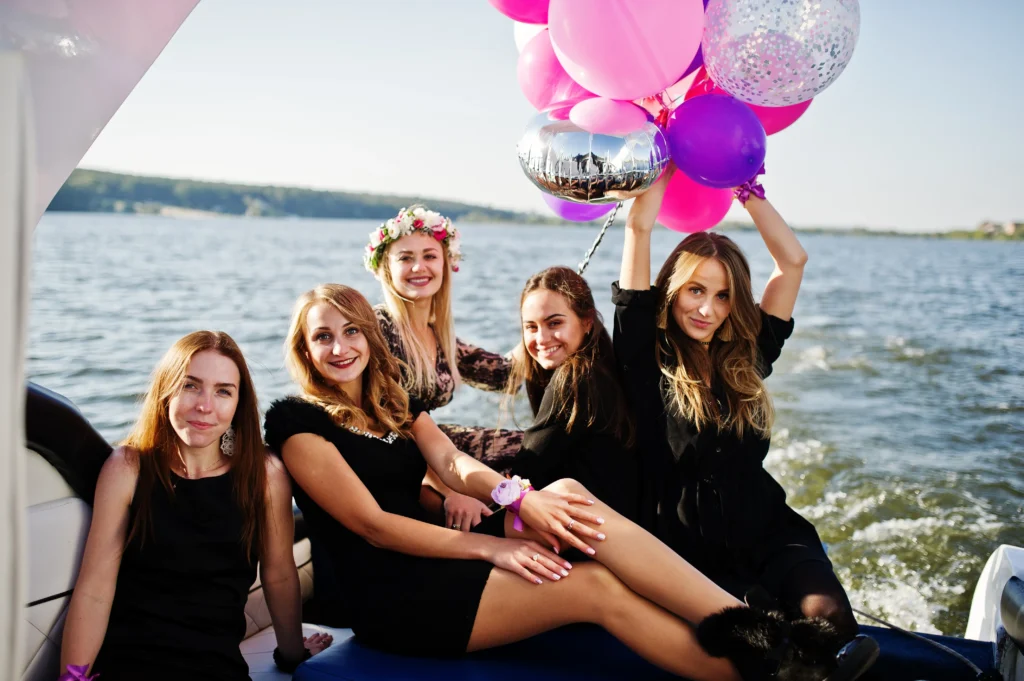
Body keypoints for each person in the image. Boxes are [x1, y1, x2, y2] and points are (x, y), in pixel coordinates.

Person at [264, 283, 871, 681]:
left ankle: (759, 631)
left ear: (372, 338)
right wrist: (495, 544)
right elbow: (375, 527)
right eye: (323, 336)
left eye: (351, 332)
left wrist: (519, 498)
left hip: (445, 558)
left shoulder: (398, 402)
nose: (340, 347)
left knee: (570, 497)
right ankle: (772, 671)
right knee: (594, 588)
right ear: (304, 347)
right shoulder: (297, 424)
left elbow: (452, 465)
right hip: (396, 597)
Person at [614, 164, 866, 645]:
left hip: (768, 529)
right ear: (671, 290)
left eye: (723, 296)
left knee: (829, 617)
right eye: (696, 290)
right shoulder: (645, 354)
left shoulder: (749, 355)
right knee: (763, 643)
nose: (707, 309)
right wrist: (665, 159)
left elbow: (792, 261)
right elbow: (638, 226)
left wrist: (742, 185)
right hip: (686, 547)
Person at [60, 331, 331, 681]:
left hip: (215, 668)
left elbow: (278, 574)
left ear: (238, 404)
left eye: (223, 391)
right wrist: (72, 677)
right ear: (167, 391)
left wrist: (293, 654)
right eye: (190, 386)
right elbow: (95, 589)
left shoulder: (264, 474)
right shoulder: (127, 467)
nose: (205, 405)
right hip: (128, 665)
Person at [365, 205, 523, 470]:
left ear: (446, 264)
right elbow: (379, 420)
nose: (419, 267)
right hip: (392, 454)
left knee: (534, 446)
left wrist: (538, 328)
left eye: (430, 256)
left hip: (428, 445)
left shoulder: (440, 337)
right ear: (386, 268)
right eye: (405, 258)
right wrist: (447, 489)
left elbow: (504, 376)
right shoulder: (377, 328)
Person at [503, 266, 638, 520]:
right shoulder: (602, 369)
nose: (541, 338)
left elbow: (523, 477)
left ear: (587, 321)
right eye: (531, 327)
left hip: (596, 531)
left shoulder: (575, 378)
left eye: (554, 323)